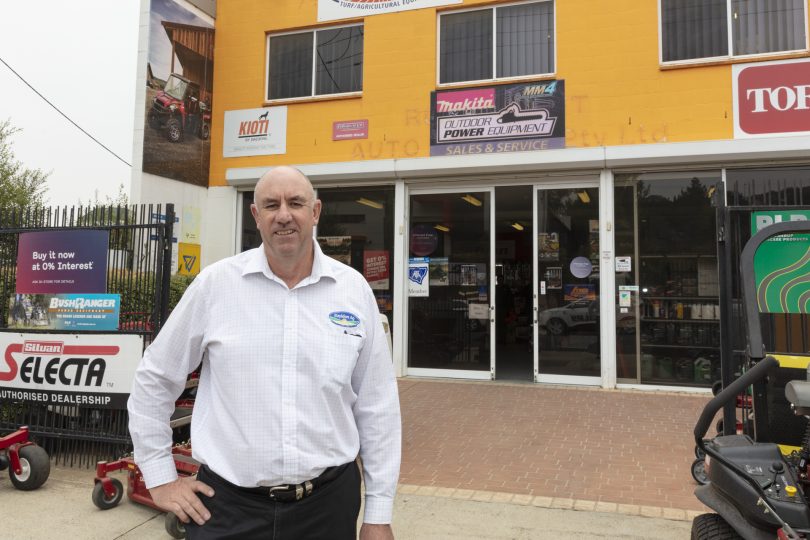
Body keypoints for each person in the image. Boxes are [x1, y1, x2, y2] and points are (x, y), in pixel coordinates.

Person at [128, 166, 402, 539]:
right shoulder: (216, 286)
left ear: (316, 212)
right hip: (225, 510)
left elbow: (378, 407)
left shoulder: (353, 291)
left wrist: (378, 513)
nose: (284, 215)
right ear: (256, 216)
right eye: (271, 205)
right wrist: (160, 477)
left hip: (327, 508)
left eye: (296, 203)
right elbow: (155, 379)